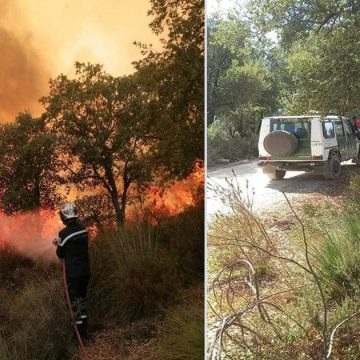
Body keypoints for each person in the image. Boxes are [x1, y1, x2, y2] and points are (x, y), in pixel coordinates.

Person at [53, 203, 90, 340]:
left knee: (73, 303)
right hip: (85, 271)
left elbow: (60, 254)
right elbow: (75, 246)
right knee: (82, 299)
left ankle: (77, 336)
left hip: (73, 274)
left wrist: (59, 244)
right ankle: (84, 333)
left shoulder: (63, 233)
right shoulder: (83, 229)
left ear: (64, 216)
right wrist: (62, 243)